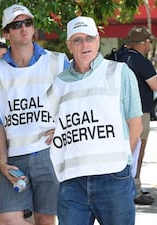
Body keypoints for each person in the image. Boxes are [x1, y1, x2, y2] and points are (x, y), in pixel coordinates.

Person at [47, 16, 142, 225]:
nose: (85, 45)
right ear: (69, 45)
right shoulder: (59, 84)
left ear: (98, 40)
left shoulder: (119, 72)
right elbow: (50, 127)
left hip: (114, 178)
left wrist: (123, 161)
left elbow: (135, 124)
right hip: (72, 182)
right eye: (78, 40)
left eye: (89, 38)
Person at [0, 4, 69, 225]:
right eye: (16, 25)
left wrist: (65, 129)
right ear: (6, 32)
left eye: (27, 23)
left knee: (45, 218)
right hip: (15, 158)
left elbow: (74, 104)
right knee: (8, 220)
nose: (23, 28)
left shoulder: (58, 61)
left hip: (49, 154)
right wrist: (2, 162)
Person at [106, 26, 157, 205]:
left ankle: (117, 188)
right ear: (143, 43)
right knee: (136, 152)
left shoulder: (113, 57)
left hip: (112, 113)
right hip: (138, 113)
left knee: (115, 151)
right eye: (149, 41)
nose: (150, 44)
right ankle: (134, 190)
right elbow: (155, 85)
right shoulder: (140, 61)